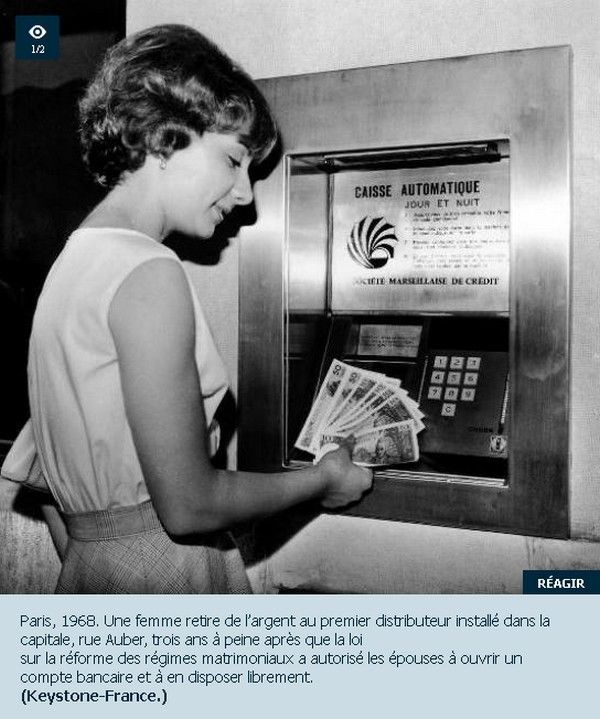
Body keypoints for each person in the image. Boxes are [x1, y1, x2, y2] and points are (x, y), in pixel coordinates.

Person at [0, 24, 371, 594]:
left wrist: (104, 557)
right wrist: (322, 481)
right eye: (233, 160)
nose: (245, 194)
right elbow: (190, 506)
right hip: (169, 573)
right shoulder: (149, 271)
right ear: (163, 139)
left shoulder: (73, 262)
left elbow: (41, 480)